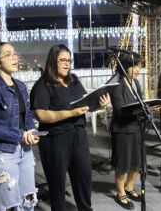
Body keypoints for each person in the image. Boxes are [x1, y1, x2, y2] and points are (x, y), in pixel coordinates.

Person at [30, 44, 109, 211]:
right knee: (57, 186)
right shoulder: (43, 85)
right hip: (55, 140)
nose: (67, 64)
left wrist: (100, 105)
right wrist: (70, 113)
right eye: (62, 60)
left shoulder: (73, 80)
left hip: (78, 136)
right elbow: (41, 115)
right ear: (53, 61)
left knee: (84, 179)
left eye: (69, 60)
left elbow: (84, 103)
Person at [0, 42, 39, 211]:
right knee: (9, 205)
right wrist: (20, 134)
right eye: (8, 54)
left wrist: (32, 130)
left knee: (28, 200)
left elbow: (27, 115)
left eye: (14, 53)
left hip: (25, 151)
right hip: (3, 153)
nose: (14, 57)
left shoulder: (20, 85)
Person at [109, 51, 143, 210]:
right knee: (122, 163)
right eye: (135, 66)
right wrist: (139, 110)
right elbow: (120, 111)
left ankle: (129, 186)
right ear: (126, 66)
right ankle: (120, 192)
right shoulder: (117, 83)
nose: (138, 69)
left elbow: (142, 102)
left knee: (138, 161)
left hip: (136, 127)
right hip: (122, 129)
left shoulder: (135, 82)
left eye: (139, 66)